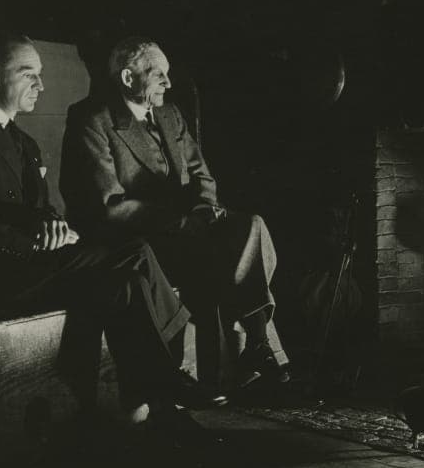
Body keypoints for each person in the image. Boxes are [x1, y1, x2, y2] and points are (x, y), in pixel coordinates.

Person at [0, 30, 222, 443]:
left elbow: (37, 211)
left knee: (126, 280)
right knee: (133, 252)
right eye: (29, 74)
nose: (40, 85)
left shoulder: (24, 142)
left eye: (41, 74)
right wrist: (31, 241)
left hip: (36, 262)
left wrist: (52, 226)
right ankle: (168, 381)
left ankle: (148, 408)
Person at [60, 35, 290, 393]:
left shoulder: (169, 113)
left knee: (252, 226)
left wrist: (203, 210)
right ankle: (239, 358)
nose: (169, 83)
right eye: (159, 75)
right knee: (218, 257)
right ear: (127, 78)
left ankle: (257, 343)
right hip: (138, 238)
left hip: (189, 226)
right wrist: (181, 223)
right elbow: (109, 206)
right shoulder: (93, 119)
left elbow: (202, 175)